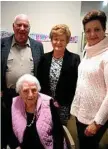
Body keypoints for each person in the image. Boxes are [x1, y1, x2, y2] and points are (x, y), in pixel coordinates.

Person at [1, 14, 44, 148]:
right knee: (7, 124)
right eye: (19, 25)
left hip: (29, 96)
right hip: (8, 95)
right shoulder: (2, 44)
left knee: (27, 125)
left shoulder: (38, 46)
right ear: (13, 27)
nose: (22, 28)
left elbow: (40, 71)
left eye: (25, 25)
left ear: (29, 29)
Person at [70, 10, 108, 149]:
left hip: (95, 117)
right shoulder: (89, 51)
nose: (92, 34)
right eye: (88, 30)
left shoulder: (106, 55)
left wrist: (97, 123)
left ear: (104, 29)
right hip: (82, 113)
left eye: (97, 29)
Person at [8, 74, 67, 149]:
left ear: (38, 90)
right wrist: (15, 145)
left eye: (34, 90)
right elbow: (8, 130)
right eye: (25, 91)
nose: (30, 95)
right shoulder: (14, 104)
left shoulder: (48, 103)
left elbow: (58, 133)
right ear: (19, 92)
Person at [37, 24, 80, 125]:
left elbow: (75, 84)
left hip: (64, 104)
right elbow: (39, 81)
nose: (58, 42)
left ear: (67, 41)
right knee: (45, 127)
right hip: (46, 103)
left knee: (60, 129)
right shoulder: (44, 58)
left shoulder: (74, 59)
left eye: (62, 40)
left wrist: (65, 102)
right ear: (51, 40)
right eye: (55, 39)